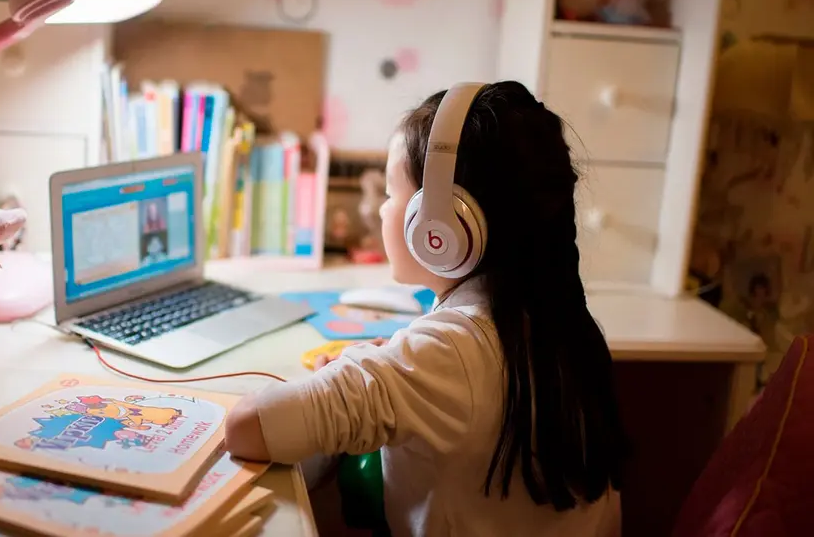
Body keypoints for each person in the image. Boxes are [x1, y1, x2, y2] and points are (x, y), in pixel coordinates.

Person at [225, 82, 626, 536]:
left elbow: (247, 428)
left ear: (441, 227)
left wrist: (375, 371)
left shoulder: (446, 355)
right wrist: (393, 365)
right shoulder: (564, 325)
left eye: (393, 194)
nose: (381, 211)